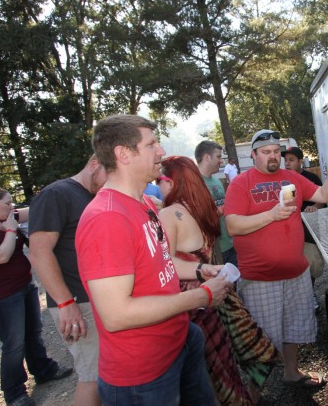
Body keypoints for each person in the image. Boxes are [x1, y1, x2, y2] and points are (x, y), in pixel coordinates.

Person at [75, 114, 232, 406]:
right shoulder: (107, 218)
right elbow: (116, 315)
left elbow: (161, 263)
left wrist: (201, 270)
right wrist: (200, 297)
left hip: (180, 341)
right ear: (123, 154)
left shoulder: (145, 203)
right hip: (143, 376)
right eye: (151, 144)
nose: (160, 151)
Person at [225, 129, 328, 388]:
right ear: (253, 154)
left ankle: (291, 372)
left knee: (292, 329)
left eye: (277, 152)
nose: (273, 156)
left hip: (295, 272)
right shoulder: (240, 183)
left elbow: (324, 196)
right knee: (262, 338)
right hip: (259, 278)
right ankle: (255, 394)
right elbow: (233, 225)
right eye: (266, 152)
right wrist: (271, 215)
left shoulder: (292, 178)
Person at [159, 156, 278, 405]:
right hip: (214, 298)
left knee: (209, 374)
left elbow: (165, 265)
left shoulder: (170, 214)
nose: (157, 184)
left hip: (192, 304)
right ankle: (249, 398)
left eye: (159, 179)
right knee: (224, 364)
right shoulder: (202, 208)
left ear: (170, 182)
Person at [0, 187, 72, 406]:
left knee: (34, 333)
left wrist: (54, 195)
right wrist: (11, 231)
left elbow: (36, 209)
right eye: (7, 203)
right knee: (14, 344)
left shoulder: (8, 217)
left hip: (24, 287)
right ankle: (14, 393)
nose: (12, 208)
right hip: (1, 297)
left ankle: (43, 369)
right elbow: (0, 256)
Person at [28, 154, 108, 406]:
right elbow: (39, 252)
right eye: (110, 173)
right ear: (95, 163)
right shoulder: (56, 194)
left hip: (96, 301)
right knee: (92, 376)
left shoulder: (92, 195)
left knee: (105, 373)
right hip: (76, 303)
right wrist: (65, 303)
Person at [282, 147, 326, 306]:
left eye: (291, 160)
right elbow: (288, 203)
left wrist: (314, 207)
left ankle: (310, 295)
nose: (287, 163)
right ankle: (300, 298)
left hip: (309, 232)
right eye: (285, 160)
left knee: (312, 265)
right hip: (291, 233)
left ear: (301, 161)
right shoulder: (286, 181)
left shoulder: (311, 177)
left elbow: (322, 198)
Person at [194, 140, 237, 266]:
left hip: (230, 244)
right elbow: (200, 216)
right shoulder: (193, 184)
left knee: (234, 284)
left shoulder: (217, 181)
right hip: (214, 249)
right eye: (218, 156)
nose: (221, 161)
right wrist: (227, 206)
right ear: (207, 157)